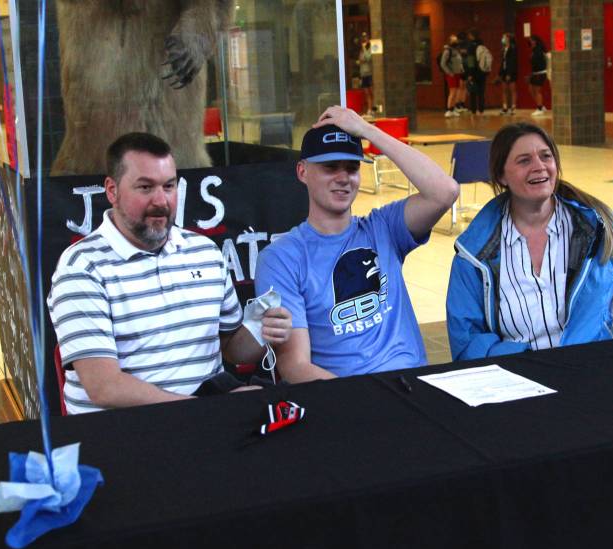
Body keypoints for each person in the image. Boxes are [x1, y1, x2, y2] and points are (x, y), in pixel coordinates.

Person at [47, 132, 292, 414]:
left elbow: (231, 348)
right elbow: (104, 387)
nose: (161, 201)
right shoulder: (82, 266)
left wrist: (264, 331)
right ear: (112, 190)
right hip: (120, 433)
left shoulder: (205, 252)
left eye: (169, 186)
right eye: (145, 187)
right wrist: (208, 410)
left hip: (204, 417)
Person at [255, 106, 460, 382]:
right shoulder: (282, 258)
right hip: (346, 397)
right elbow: (295, 367)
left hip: (413, 384)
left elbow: (445, 191)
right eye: (330, 167)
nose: (343, 178)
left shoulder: (384, 227)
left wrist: (367, 130)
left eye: (352, 168)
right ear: (302, 172)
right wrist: (367, 400)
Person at [445, 123, 613, 361]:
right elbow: (467, 338)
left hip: (593, 368)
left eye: (546, 156)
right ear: (501, 175)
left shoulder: (598, 226)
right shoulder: (474, 253)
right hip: (519, 377)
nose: (540, 166)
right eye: (524, 161)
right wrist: (516, 359)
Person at [466, 31, 492, 115]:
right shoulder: (482, 45)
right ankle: (481, 109)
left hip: (474, 72)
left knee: (473, 91)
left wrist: (470, 73)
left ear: (471, 35)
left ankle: (473, 110)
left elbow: (470, 60)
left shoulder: (470, 46)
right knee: (481, 92)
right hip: (482, 71)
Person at [440, 35, 465, 118]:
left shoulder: (456, 50)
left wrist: (461, 70)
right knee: (452, 92)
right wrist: (450, 73)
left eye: (456, 40)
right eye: (454, 40)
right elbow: (443, 63)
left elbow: (459, 62)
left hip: (458, 74)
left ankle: (453, 108)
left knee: (456, 92)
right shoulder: (447, 51)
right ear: (449, 41)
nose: (456, 41)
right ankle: (448, 109)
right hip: (452, 74)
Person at [497, 32, 518, 115]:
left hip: (511, 71)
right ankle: (505, 107)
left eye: (504, 37)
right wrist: (500, 73)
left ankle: (513, 107)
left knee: (512, 90)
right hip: (504, 71)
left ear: (508, 39)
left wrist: (509, 73)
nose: (503, 39)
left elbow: (512, 62)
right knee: (504, 90)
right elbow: (503, 62)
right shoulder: (504, 49)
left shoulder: (513, 48)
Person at [528, 35, 548, 117]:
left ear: (535, 41)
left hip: (540, 72)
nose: (530, 42)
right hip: (535, 73)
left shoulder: (539, 50)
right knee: (530, 89)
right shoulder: (533, 50)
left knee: (537, 91)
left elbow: (540, 63)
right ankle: (541, 106)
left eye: (531, 40)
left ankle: (539, 108)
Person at [357, 33, 374, 118]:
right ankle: (369, 109)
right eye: (363, 39)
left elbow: (368, 58)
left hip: (369, 73)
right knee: (366, 93)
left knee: (371, 92)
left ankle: (373, 109)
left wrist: (364, 47)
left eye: (366, 38)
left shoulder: (370, 49)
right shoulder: (361, 50)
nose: (364, 40)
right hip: (363, 73)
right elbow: (360, 60)